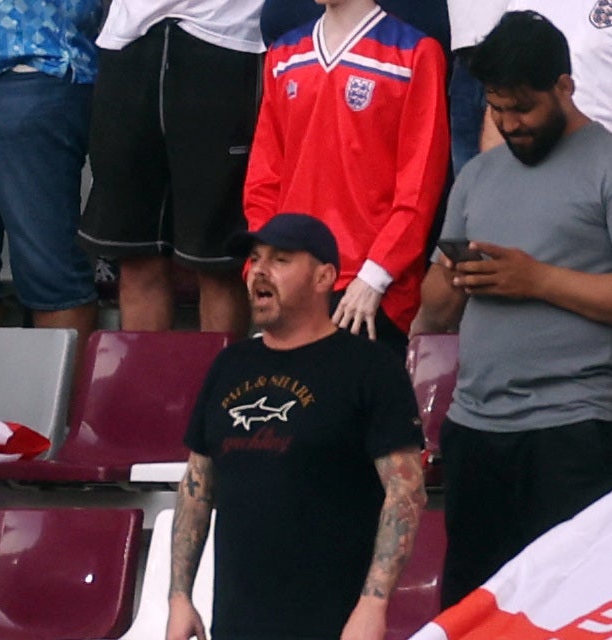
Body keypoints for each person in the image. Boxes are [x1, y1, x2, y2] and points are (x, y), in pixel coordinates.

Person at [421, 5, 612, 595]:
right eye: (496, 108)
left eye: (523, 108)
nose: (510, 124)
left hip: (574, 432)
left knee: (570, 607)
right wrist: (452, 279)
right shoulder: (478, 176)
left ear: (565, 85)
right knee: (473, 613)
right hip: (474, 430)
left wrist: (537, 280)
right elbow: (434, 309)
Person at [171, 210, 428, 640]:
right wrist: (179, 596)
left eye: (281, 260)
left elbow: (406, 490)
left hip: (333, 622)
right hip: (237, 622)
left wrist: (374, 603)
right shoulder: (229, 364)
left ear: (325, 276)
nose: (259, 272)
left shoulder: (370, 367)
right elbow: (197, 483)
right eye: (255, 259)